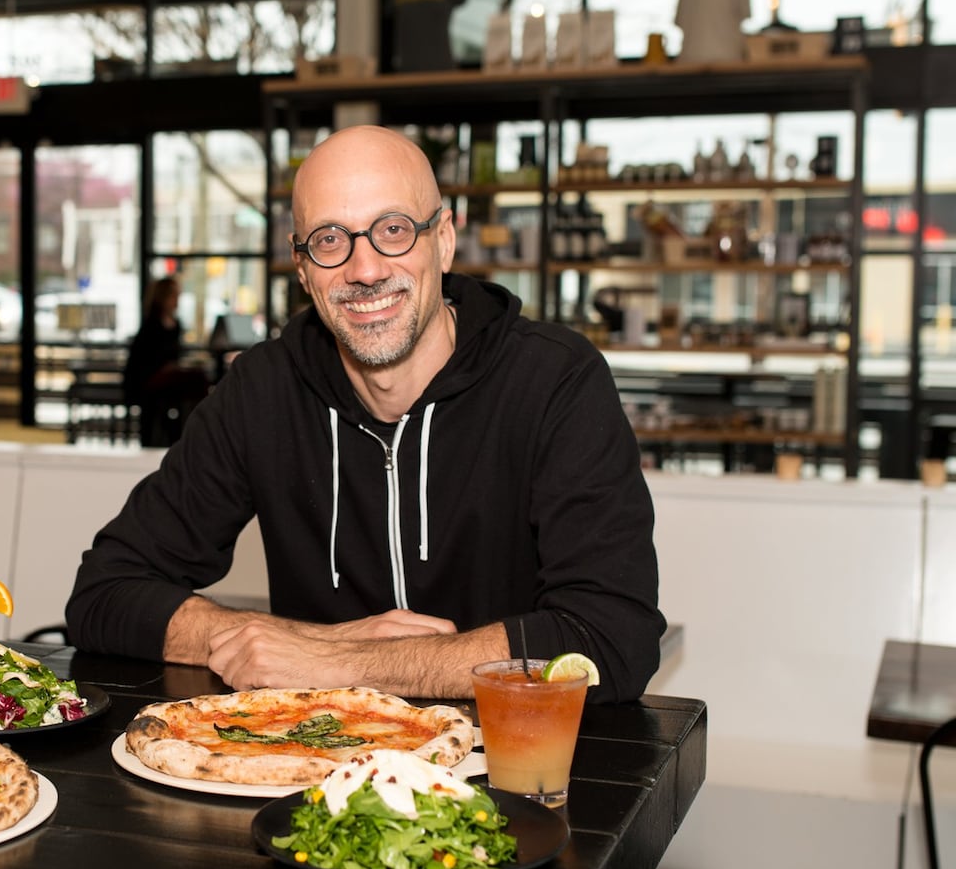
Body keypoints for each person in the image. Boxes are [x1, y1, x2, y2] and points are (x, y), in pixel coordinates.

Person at [66, 125, 662, 704]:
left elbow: (609, 638)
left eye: (394, 230)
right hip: (316, 774)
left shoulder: (553, 379)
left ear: (444, 240)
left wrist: (337, 663)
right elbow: (103, 594)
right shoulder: (264, 391)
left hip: (510, 776)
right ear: (302, 270)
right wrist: (314, 642)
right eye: (330, 239)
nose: (366, 268)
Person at [122, 277, 210, 447]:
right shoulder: (151, 326)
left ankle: (188, 431)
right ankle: (187, 433)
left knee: (197, 381)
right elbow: (144, 363)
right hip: (147, 380)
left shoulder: (175, 325)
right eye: (174, 296)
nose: (177, 300)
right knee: (196, 380)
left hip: (164, 378)